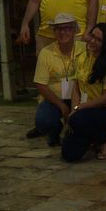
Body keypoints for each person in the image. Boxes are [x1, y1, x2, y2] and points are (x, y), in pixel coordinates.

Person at [61, 23, 106, 161]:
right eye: (92, 36)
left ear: (105, 44)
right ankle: (91, 137)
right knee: (69, 155)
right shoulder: (82, 57)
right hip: (85, 111)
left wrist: (79, 109)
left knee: (78, 119)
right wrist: (73, 110)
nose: (92, 41)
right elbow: (76, 88)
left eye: (98, 40)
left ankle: (105, 140)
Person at [32, 13, 87, 147]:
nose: (63, 32)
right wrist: (62, 106)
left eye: (67, 28)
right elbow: (40, 84)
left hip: (80, 97)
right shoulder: (46, 53)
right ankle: (55, 130)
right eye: (59, 29)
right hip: (55, 98)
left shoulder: (84, 49)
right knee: (43, 121)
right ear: (54, 32)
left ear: (74, 30)